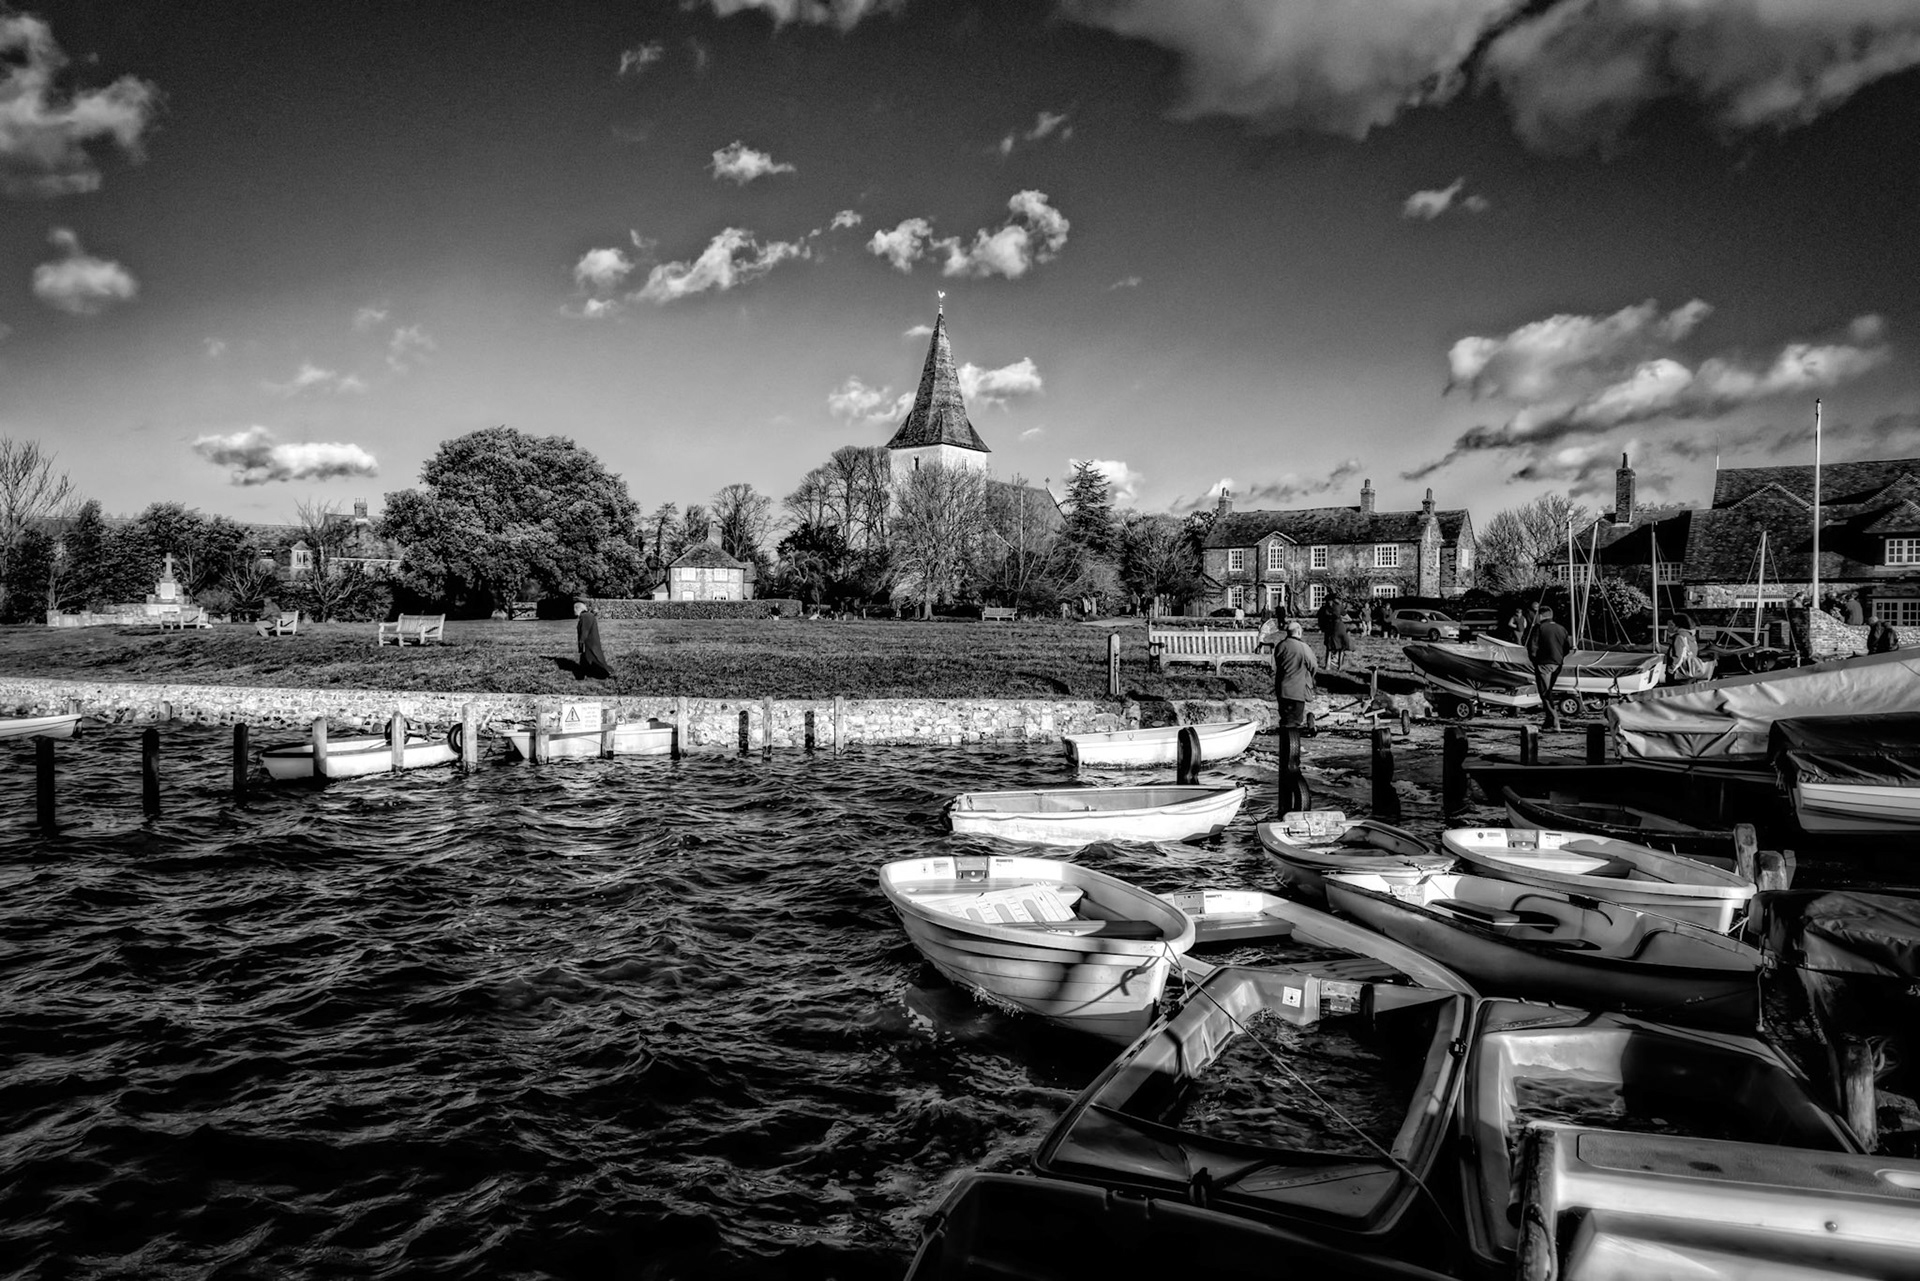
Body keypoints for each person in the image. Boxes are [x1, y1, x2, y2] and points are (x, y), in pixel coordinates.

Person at [1528, 604, 1571, 729]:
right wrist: (1559, 658)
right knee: (1549, 691)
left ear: (1540, 616)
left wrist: (1535, 661)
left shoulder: (1539, 628)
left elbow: (1532, 648)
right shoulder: (1561, 629)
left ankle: (1555, 722)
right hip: (1557, 664)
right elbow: (1566, 648)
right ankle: (1548, 720)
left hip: (1543, 663)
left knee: (1545, 693)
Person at [1274, 620, 1318, 729]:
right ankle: (1292, 743)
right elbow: (1313, 666)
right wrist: (1310, 677)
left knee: (1285, 718)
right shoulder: (1303, 647)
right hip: (1297, 690)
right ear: (1298, 632)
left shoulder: (1280, 646)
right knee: (1295, 721)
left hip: (1282, 689)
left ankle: (1284, 743)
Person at [1663, 612, 1708, 685]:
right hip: (1690, 672)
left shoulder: (1679, 637)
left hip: (1679, 673)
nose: (1668, 628)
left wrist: (1670, 670)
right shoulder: (1691, 637)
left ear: (1677, 625)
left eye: (1671, 625)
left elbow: (1679, 656)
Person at [574, 600, 612, 680]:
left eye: (574, 609)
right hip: (590, 642)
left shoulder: (586, 616)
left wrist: (581, 641)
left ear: (577, 608)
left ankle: (605, 674)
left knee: (595, 658)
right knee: (587, 659)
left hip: (590, 642)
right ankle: (582, 675)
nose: (573, 611)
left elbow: (585, 630)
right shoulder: (587, 616)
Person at [1787, 593, 1814, 665]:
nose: (1803, 598)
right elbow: (1796, 610)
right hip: (1798, 619)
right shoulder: (1794, 602)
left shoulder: (1798, 602)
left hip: (1799, 621)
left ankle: (1804, 656)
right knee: (1801, 638)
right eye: (1802, 597)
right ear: (1799, 596)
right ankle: (1805, 655)